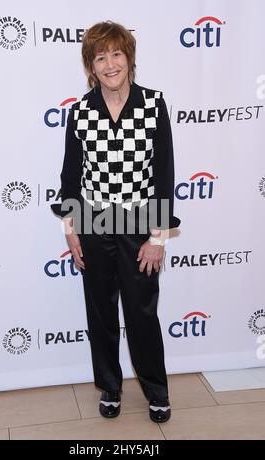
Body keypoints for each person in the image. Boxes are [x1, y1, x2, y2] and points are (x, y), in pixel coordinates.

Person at [51, 20, 180, 423]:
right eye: (100, 56)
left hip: (141, 222)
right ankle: (110, 387)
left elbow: (163, 173)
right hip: (93, 224)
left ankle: (156, 390)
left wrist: (157, 238)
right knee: (102, 314)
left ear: (129, 58)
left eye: (116, 54)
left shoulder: (154, 103)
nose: (109, 64)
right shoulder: (80, 112)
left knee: (142, 313)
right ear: (91, 65)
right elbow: (71, 175)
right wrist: (71, 231)